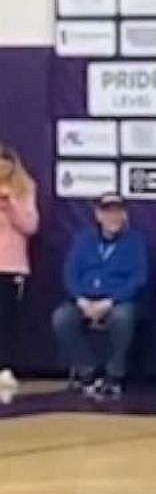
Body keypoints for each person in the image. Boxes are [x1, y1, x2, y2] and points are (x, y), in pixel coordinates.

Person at [52, 194, 149, 399]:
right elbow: (70, 273)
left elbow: (139, 278)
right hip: (85, 299)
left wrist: (109, 301)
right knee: (62, 318)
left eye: (117, 212)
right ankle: (87, 370)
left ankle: (114, 374)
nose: (113, 217)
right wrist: (81, 299)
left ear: (124, 215)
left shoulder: (135, 242)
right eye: (108, 212)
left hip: (118, 301)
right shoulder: (83, 240)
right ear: (98, 215)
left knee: (122, 317)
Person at [0, 145, 40, 393]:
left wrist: (11, 204)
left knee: (5, 321)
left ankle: (4, 368)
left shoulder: (24, 190)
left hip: (11, 265)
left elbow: (30, 225)